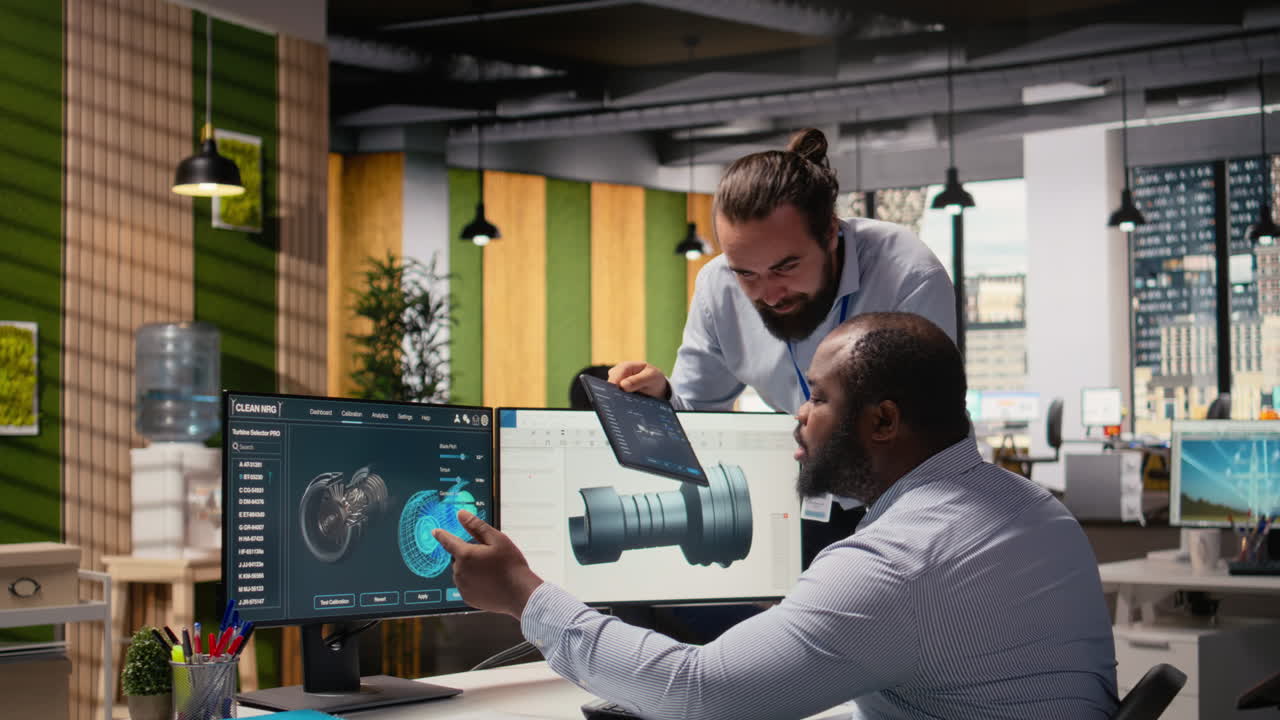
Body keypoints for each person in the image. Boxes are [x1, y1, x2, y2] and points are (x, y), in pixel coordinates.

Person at [434, 312, 1119, 720]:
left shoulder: (899, 560)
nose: (799, 416)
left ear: (882, 420)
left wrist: (524, 595)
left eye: (818, 398)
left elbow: (697, 692)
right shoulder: (1034, 510)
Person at [609, 128, 955, 416]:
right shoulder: (719, 286)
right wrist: (661, 396)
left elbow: (924, 421)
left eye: (786, 267)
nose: (770, 295)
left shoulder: (906, 275)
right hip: (814, 482)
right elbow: (697, 414)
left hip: (919, 483)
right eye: (746, 273)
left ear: (830, 232)